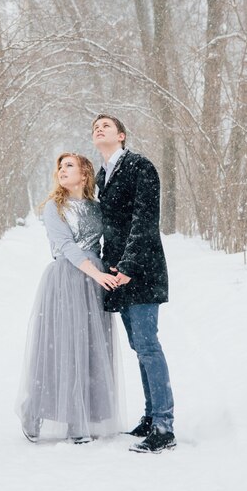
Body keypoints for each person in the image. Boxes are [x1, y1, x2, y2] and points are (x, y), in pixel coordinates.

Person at [16, 152, 124, 444]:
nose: (62, 171)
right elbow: (65, 246)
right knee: (61, 346)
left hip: (93, 283)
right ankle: (34, 410)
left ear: (84, 174)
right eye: (60, 167)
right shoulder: (55, 207)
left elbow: (110, 241)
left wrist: (113, 270)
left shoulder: (97, 208)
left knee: (89, 347)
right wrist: (95, 273)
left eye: (69, 166)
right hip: (66, 279)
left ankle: (80, 418)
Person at [92, 114, 176, 453]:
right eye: (95, 127)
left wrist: (128, 265)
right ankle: (149, 416)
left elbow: (145, 220)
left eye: (106, 126)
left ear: (122, 136)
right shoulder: (102, 175)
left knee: (148, 345)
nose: (99, 129)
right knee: (137, 347)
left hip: (141, 270)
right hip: (117, 273)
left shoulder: (141, 167)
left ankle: (164, 426)